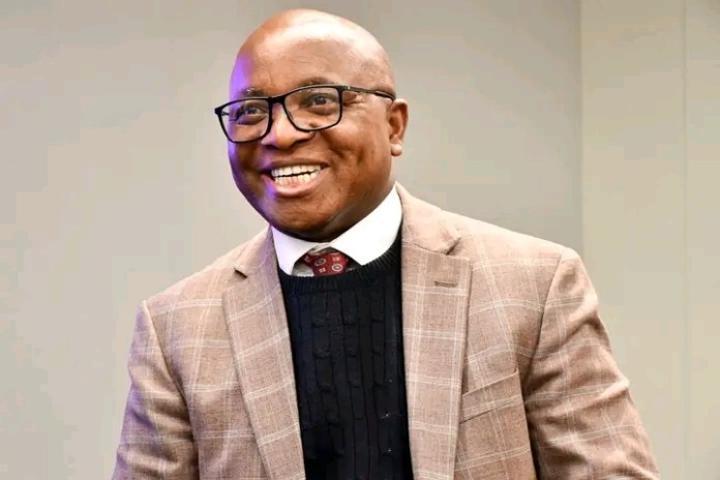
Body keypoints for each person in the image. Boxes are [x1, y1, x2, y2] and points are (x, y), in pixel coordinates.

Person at [113, 9, 659, 480]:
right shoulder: (177, 329)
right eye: (251, 112)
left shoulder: (533, 286)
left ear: (395, 127)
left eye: (318, 101)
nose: (280, 135)